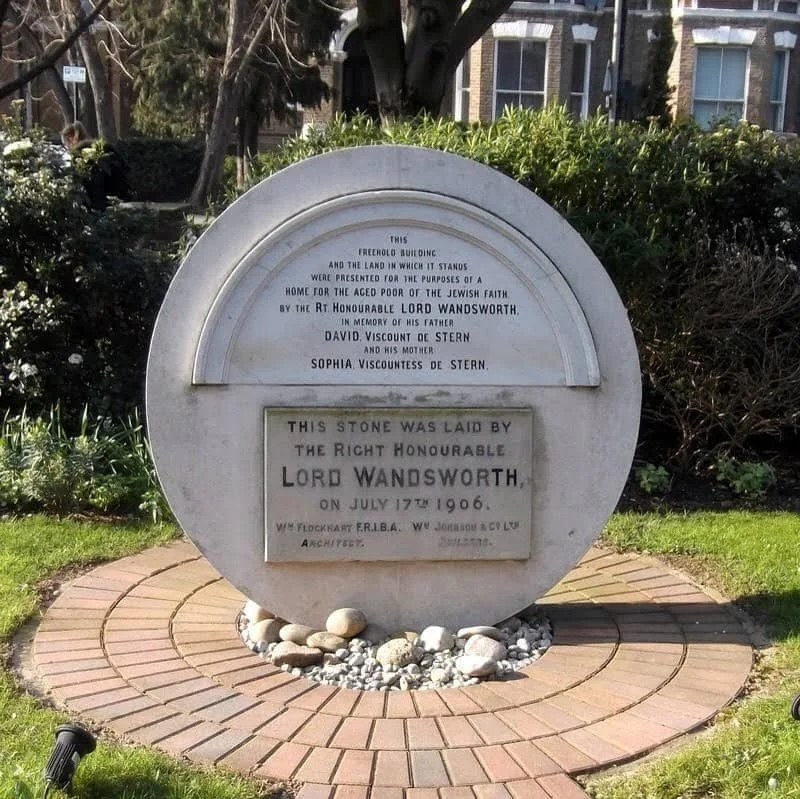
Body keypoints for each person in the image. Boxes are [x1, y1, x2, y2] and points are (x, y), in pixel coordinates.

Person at [61, 122, 131, 210]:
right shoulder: (103, 147)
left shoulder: (79, 154)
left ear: (70, 138)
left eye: (65, 145)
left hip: (96, 201)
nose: (66, 148)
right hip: (117, 194)